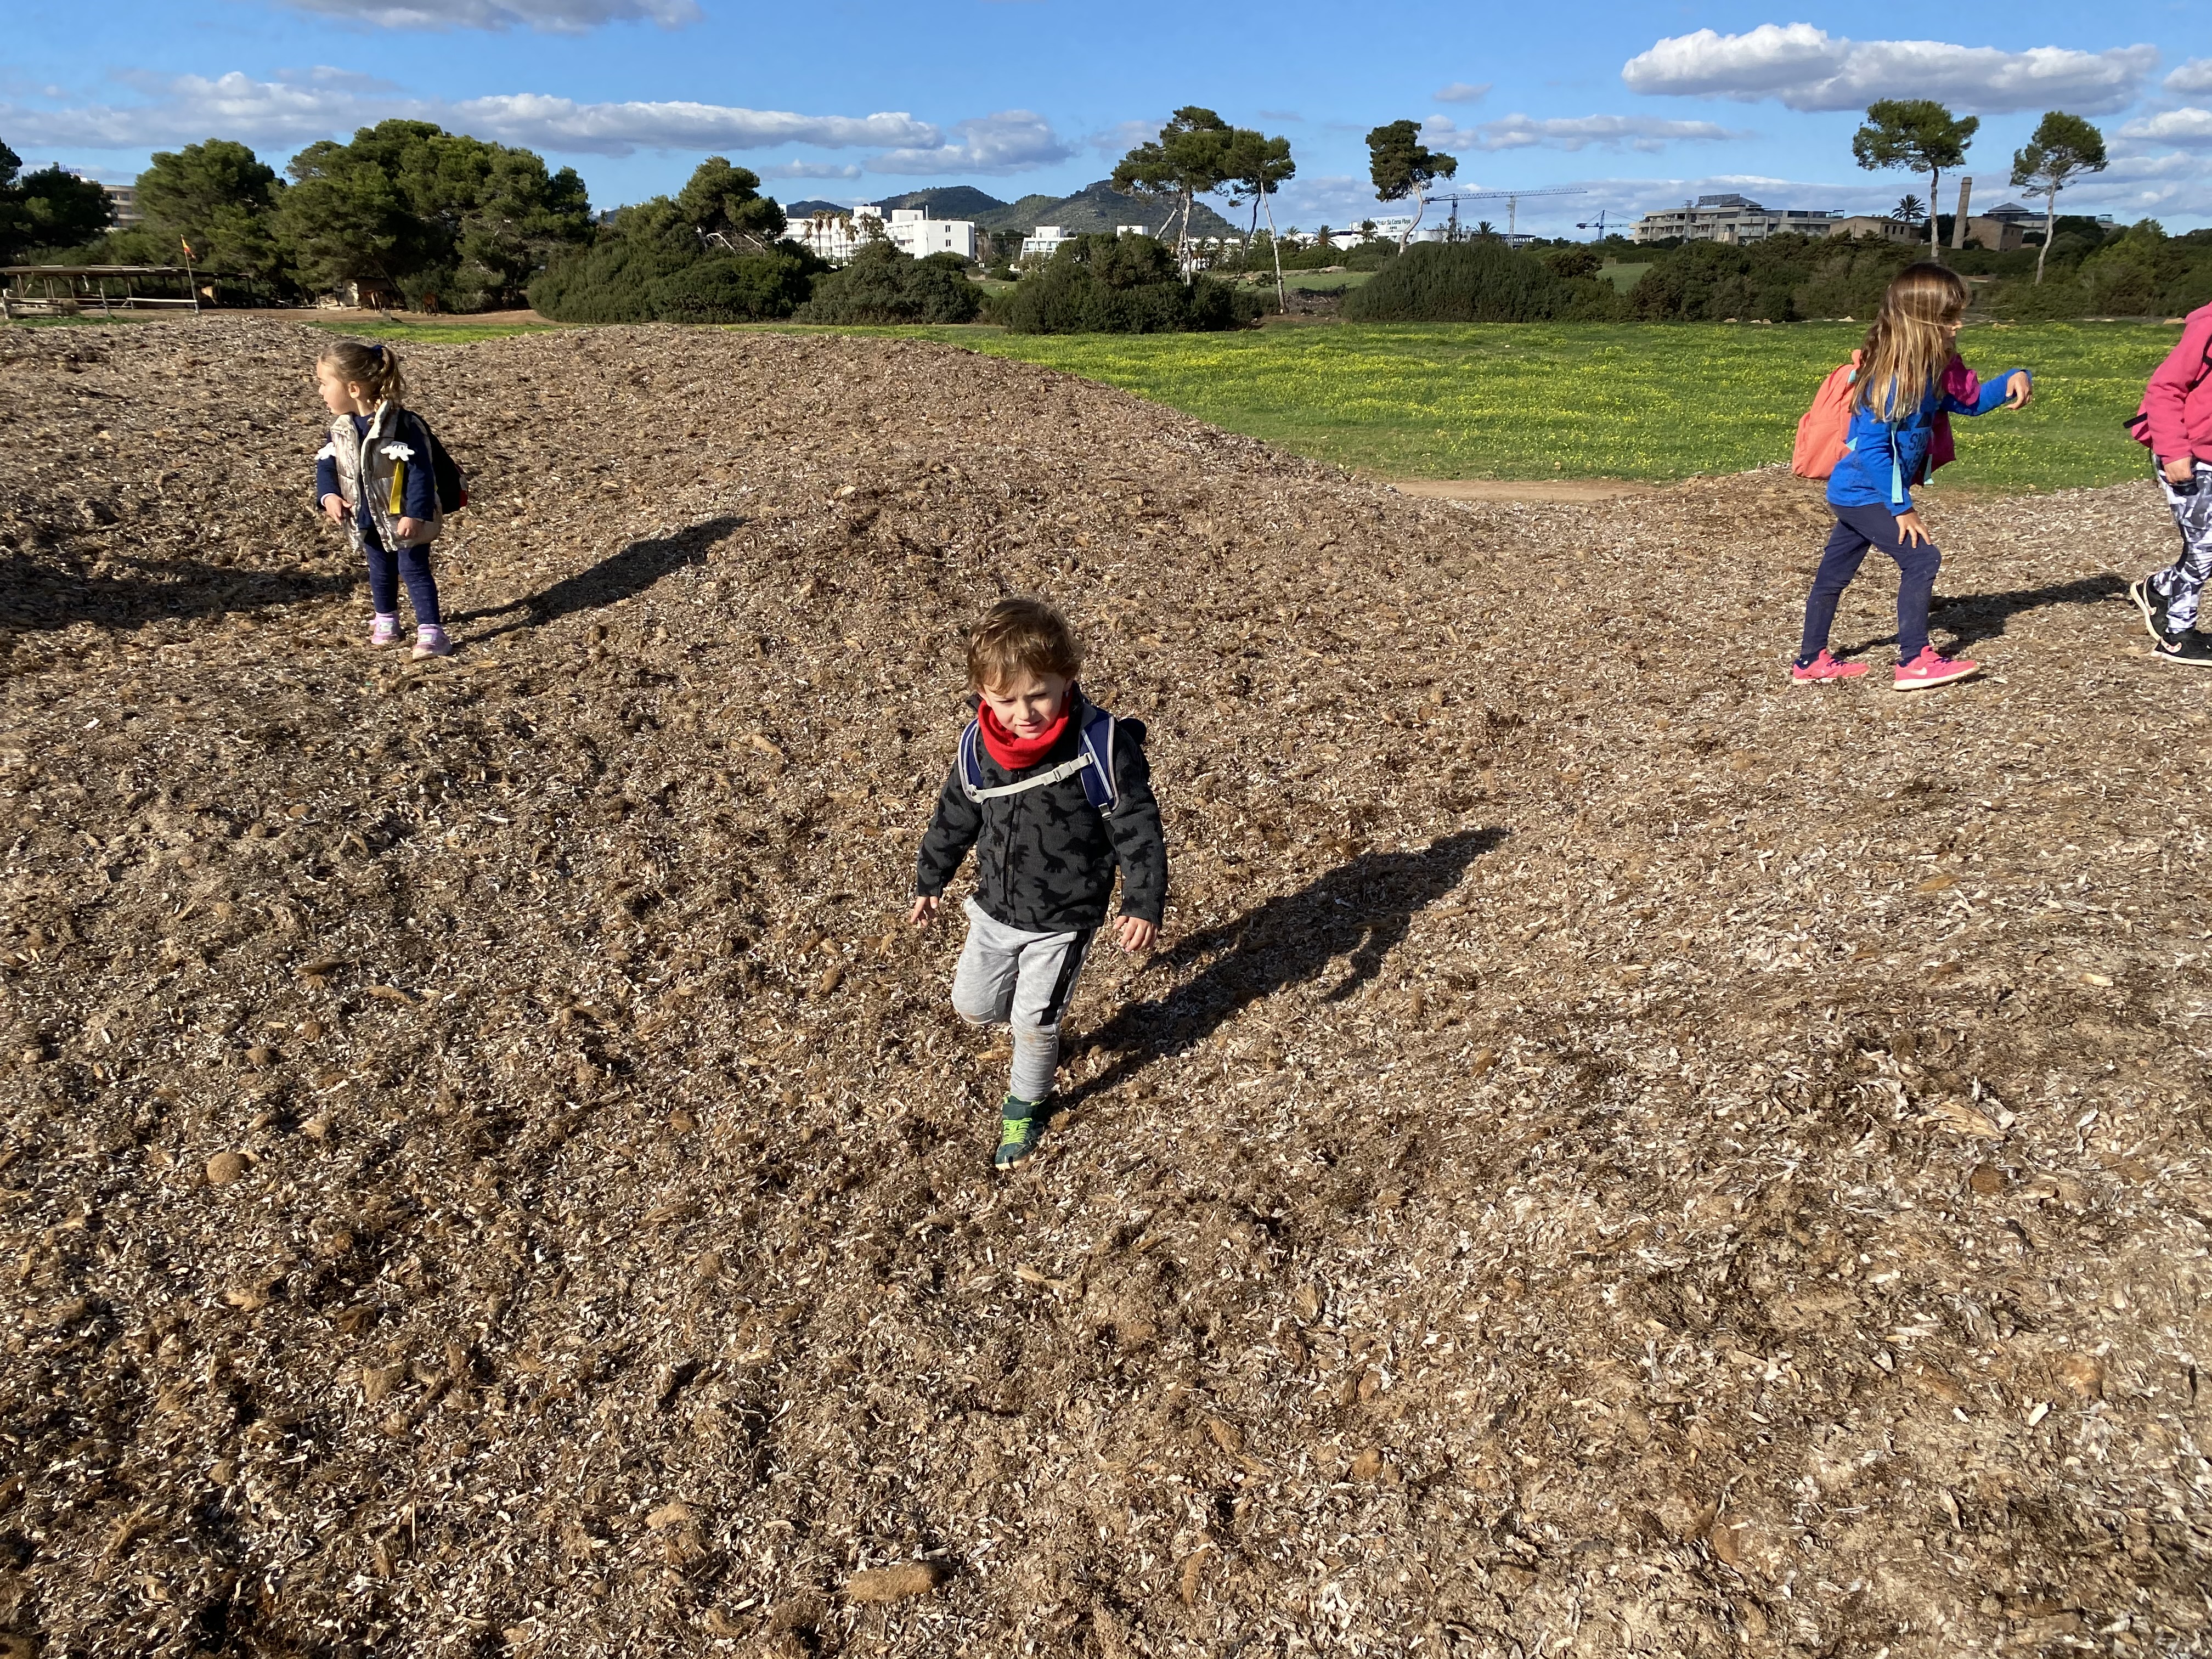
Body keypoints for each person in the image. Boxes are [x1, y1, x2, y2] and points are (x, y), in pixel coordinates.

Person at [910, 598, 1167, 1170]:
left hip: (1065, 914)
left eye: (1038, 695)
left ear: (1067, 678)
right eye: (1004, 700)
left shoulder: (1099, 745)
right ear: (982, 694)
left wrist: (1142, 902)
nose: (1023, 713)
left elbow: (1137, 827)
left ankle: (1026, 1105)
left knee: (1033, 1021)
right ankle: (1042, 1038)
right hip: (995, 906)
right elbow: (957, 811)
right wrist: (932, 877)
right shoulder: (979, 746)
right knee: (973, 1007)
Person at [1790, 262, 2032, 691]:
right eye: (1947, 318)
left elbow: (1970, 401)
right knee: (1922, 558)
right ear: (1917, 321)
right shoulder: (1893, 379)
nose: (1957, 326)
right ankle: (1915, 660)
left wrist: (2015, 378)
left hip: (1860, 492)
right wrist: (1901, 507)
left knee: (1833, 576)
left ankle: (1811, 661)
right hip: (1864, 492)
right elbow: (1873, 450)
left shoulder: (1933, 365)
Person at [313, 341, 449, 659]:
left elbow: (421, 472)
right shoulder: (340, 429)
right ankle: (387, 620)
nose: (320, 392)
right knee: (379, 569)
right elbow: (326, 464)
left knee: (413, 568)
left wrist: (415, 513)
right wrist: (329, 495)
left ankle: (432, 631)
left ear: (354, 388)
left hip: (401, 515)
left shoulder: (402, 425)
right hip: (365, 513)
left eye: (324, 384)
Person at [2127, 301, 2212, 665]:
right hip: (2190, 455)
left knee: (2204, 547)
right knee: (2206, 547)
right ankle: (2177, 636)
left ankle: (2159, 588)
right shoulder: (2208, 328)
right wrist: (2174, 451)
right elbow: (2165, 388)